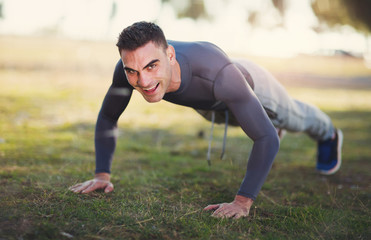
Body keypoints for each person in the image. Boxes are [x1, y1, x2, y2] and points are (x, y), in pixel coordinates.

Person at [69, 21, 343, 219]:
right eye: (133, 71)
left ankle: (329, 134)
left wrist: (242, 201)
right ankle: (255, 117)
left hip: (249, 83)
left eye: (152, 66)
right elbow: (108, 115)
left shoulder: (219, 75)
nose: (143, 82)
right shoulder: (129, 69)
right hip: (212, 101)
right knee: (239, 120)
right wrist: (101, 174)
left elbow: (265, 138)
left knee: (294, 118)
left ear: (170, 55)